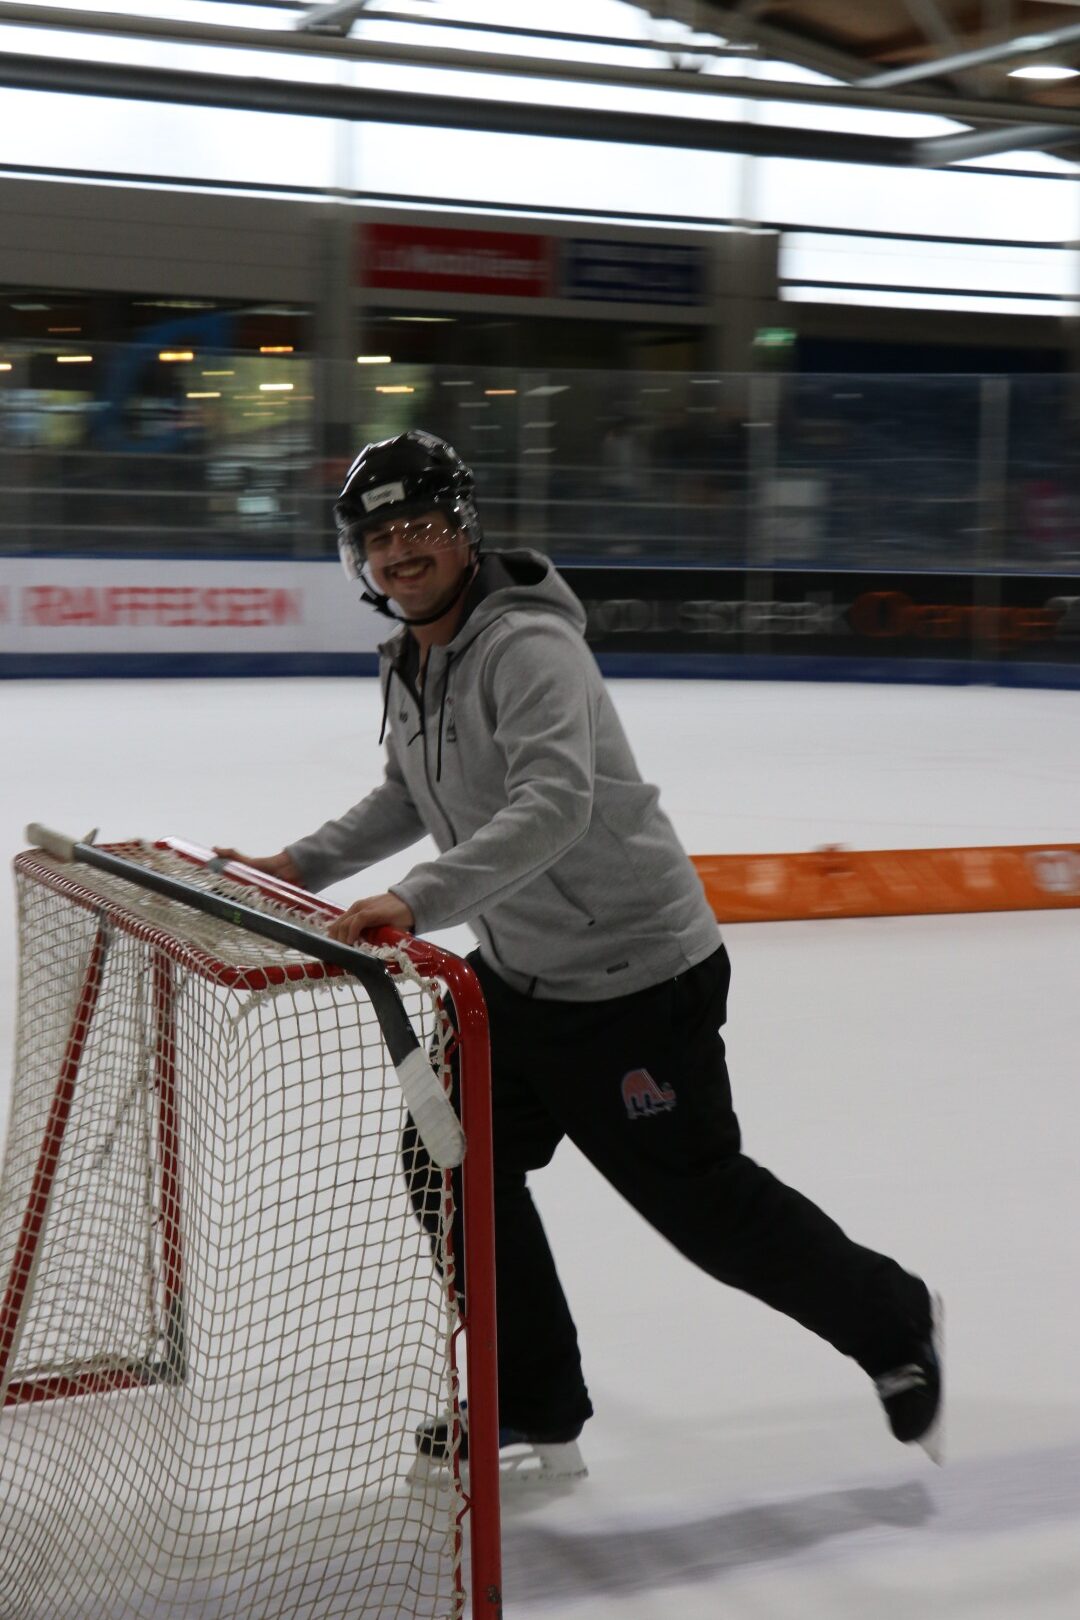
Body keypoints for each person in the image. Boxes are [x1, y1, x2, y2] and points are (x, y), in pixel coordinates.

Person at [217, 429, 942, 1482]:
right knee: (450, 1165)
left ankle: (894, 1318)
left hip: (633, 978)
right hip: (521, 977)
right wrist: (298, 863)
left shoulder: (526, 647)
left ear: (463, 531)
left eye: (420, 526)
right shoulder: (415, 657)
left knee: (703, 1208)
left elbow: (553, 804)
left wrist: (417, 899)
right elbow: (409, 792)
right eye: (379, 538)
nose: (400, 551)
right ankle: (534, 1401)